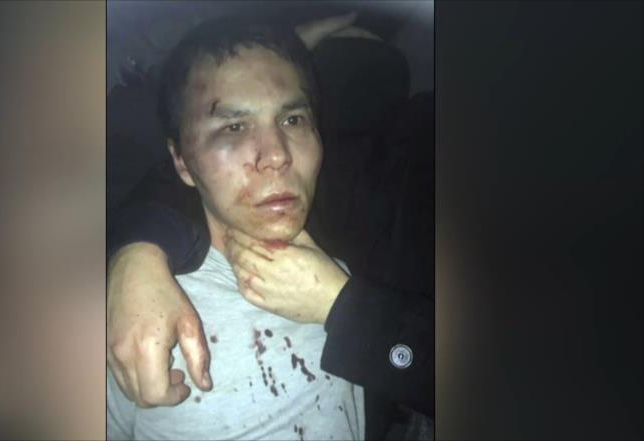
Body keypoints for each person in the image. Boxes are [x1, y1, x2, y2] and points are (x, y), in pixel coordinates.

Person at [107, 11, 434, 440]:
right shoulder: (135, 314)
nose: (277, 154)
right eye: (234, 127)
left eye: (292, 120)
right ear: (180, 162)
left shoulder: (354, 262)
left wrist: (342, 305)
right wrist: (134, 254)